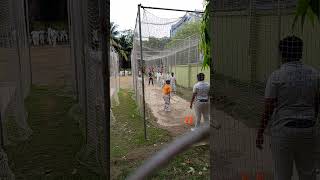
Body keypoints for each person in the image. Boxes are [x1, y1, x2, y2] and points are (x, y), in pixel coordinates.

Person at [256, 35, 319, 180]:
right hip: (309, 129)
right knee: (308, 173)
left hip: (284, 131)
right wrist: (312, 120)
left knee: (282, 174)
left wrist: (260, 133)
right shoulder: (314, 74)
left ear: (282, 54)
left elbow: (268, 108)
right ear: (300, 52)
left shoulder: (277, 76)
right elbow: (317, 102)